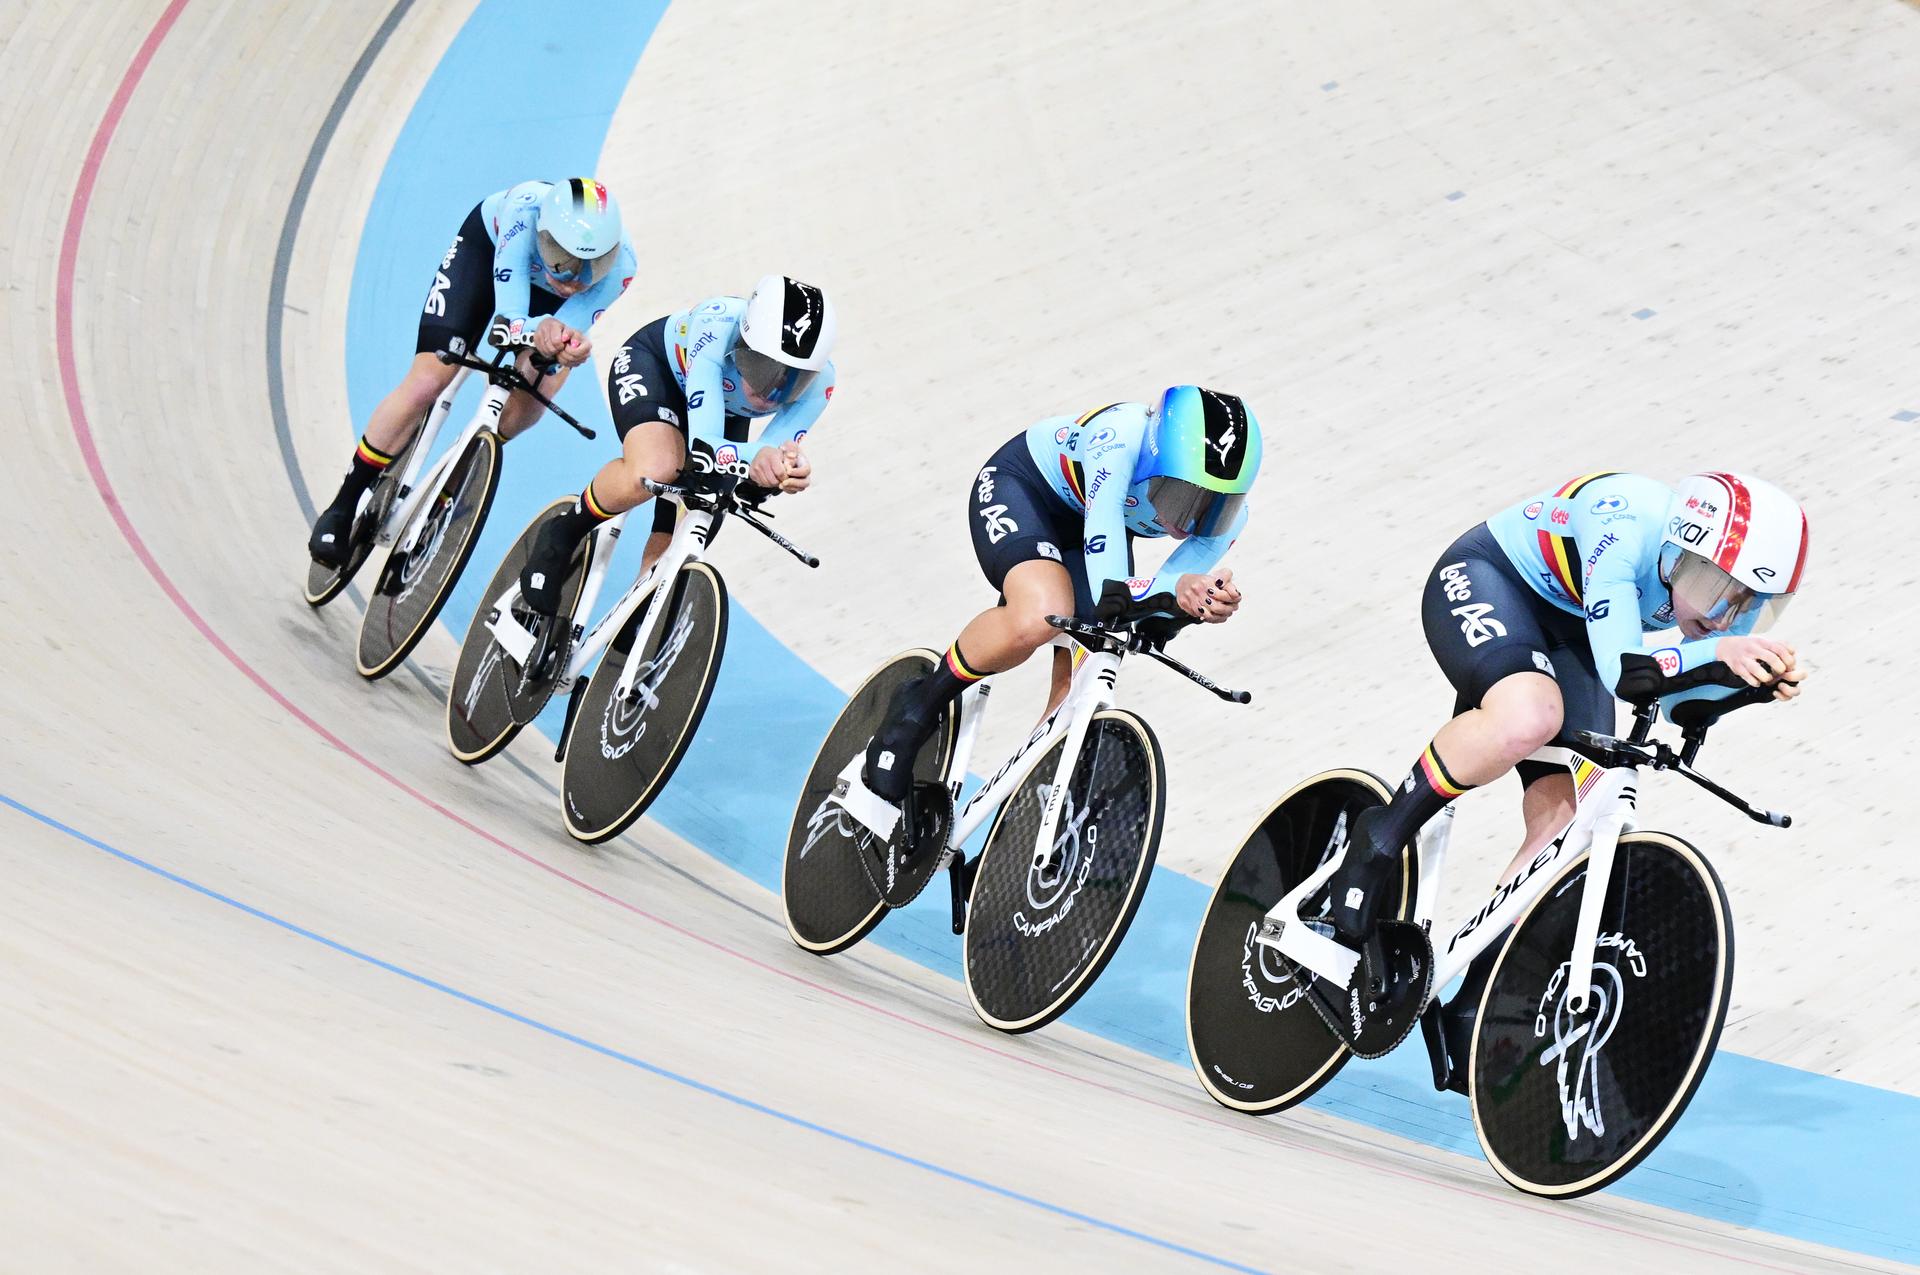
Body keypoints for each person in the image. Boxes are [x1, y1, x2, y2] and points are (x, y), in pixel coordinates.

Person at [1314, 470, 1810, 1084]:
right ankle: (1375, 843)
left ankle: (1474, 996)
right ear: (1680, 548)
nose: (1723, 614)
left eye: (1745, 603)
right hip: (1490, 579)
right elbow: (1628, 671)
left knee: (1568, 821)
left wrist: (1746, 688)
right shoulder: (1623, 522)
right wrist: (1716, 657)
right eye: (1717, 588)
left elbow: (1679, 700)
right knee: (1530, 715)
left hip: (1574, 627)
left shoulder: (1706, 606)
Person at [858, 386, 1263, 807]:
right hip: (1026, 490)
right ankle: (914, 710)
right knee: (1041, 614)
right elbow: (1111, 581)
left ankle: (1015, 816)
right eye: (1181, 496)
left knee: (1087, 674)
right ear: (1153, 457)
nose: (1191, 519)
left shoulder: (1231, 520)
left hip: (1092, 528)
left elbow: (1155, 611)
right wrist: (1168, 595)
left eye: (1214, 505)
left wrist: (1194, 605)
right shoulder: (1119, 438)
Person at [307, 178, 636, 566]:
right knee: (427, 380)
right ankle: (344, 503)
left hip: (544, 306)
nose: (576, 279)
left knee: (534, 398)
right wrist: (538, 331)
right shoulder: (522, 212)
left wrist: (565, 346)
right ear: (543, 235)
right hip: (487, 259)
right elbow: (507, 320)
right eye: (564, 261)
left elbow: (565, 329)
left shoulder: (620, 270)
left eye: (593, 266)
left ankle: (461, 473)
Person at [515, 275, 837, 611]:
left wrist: (778, 475)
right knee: (658, 467)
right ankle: (562, 534)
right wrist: (758, 458)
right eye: (760, 365)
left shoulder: (821, 385)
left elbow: (765, 460)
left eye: (792, 379)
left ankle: (637, 614)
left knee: (704, 513)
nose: (770, 390)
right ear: (742, 339)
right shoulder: (715, 325)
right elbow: (704, 444)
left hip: (723, 413)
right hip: (657, 368)